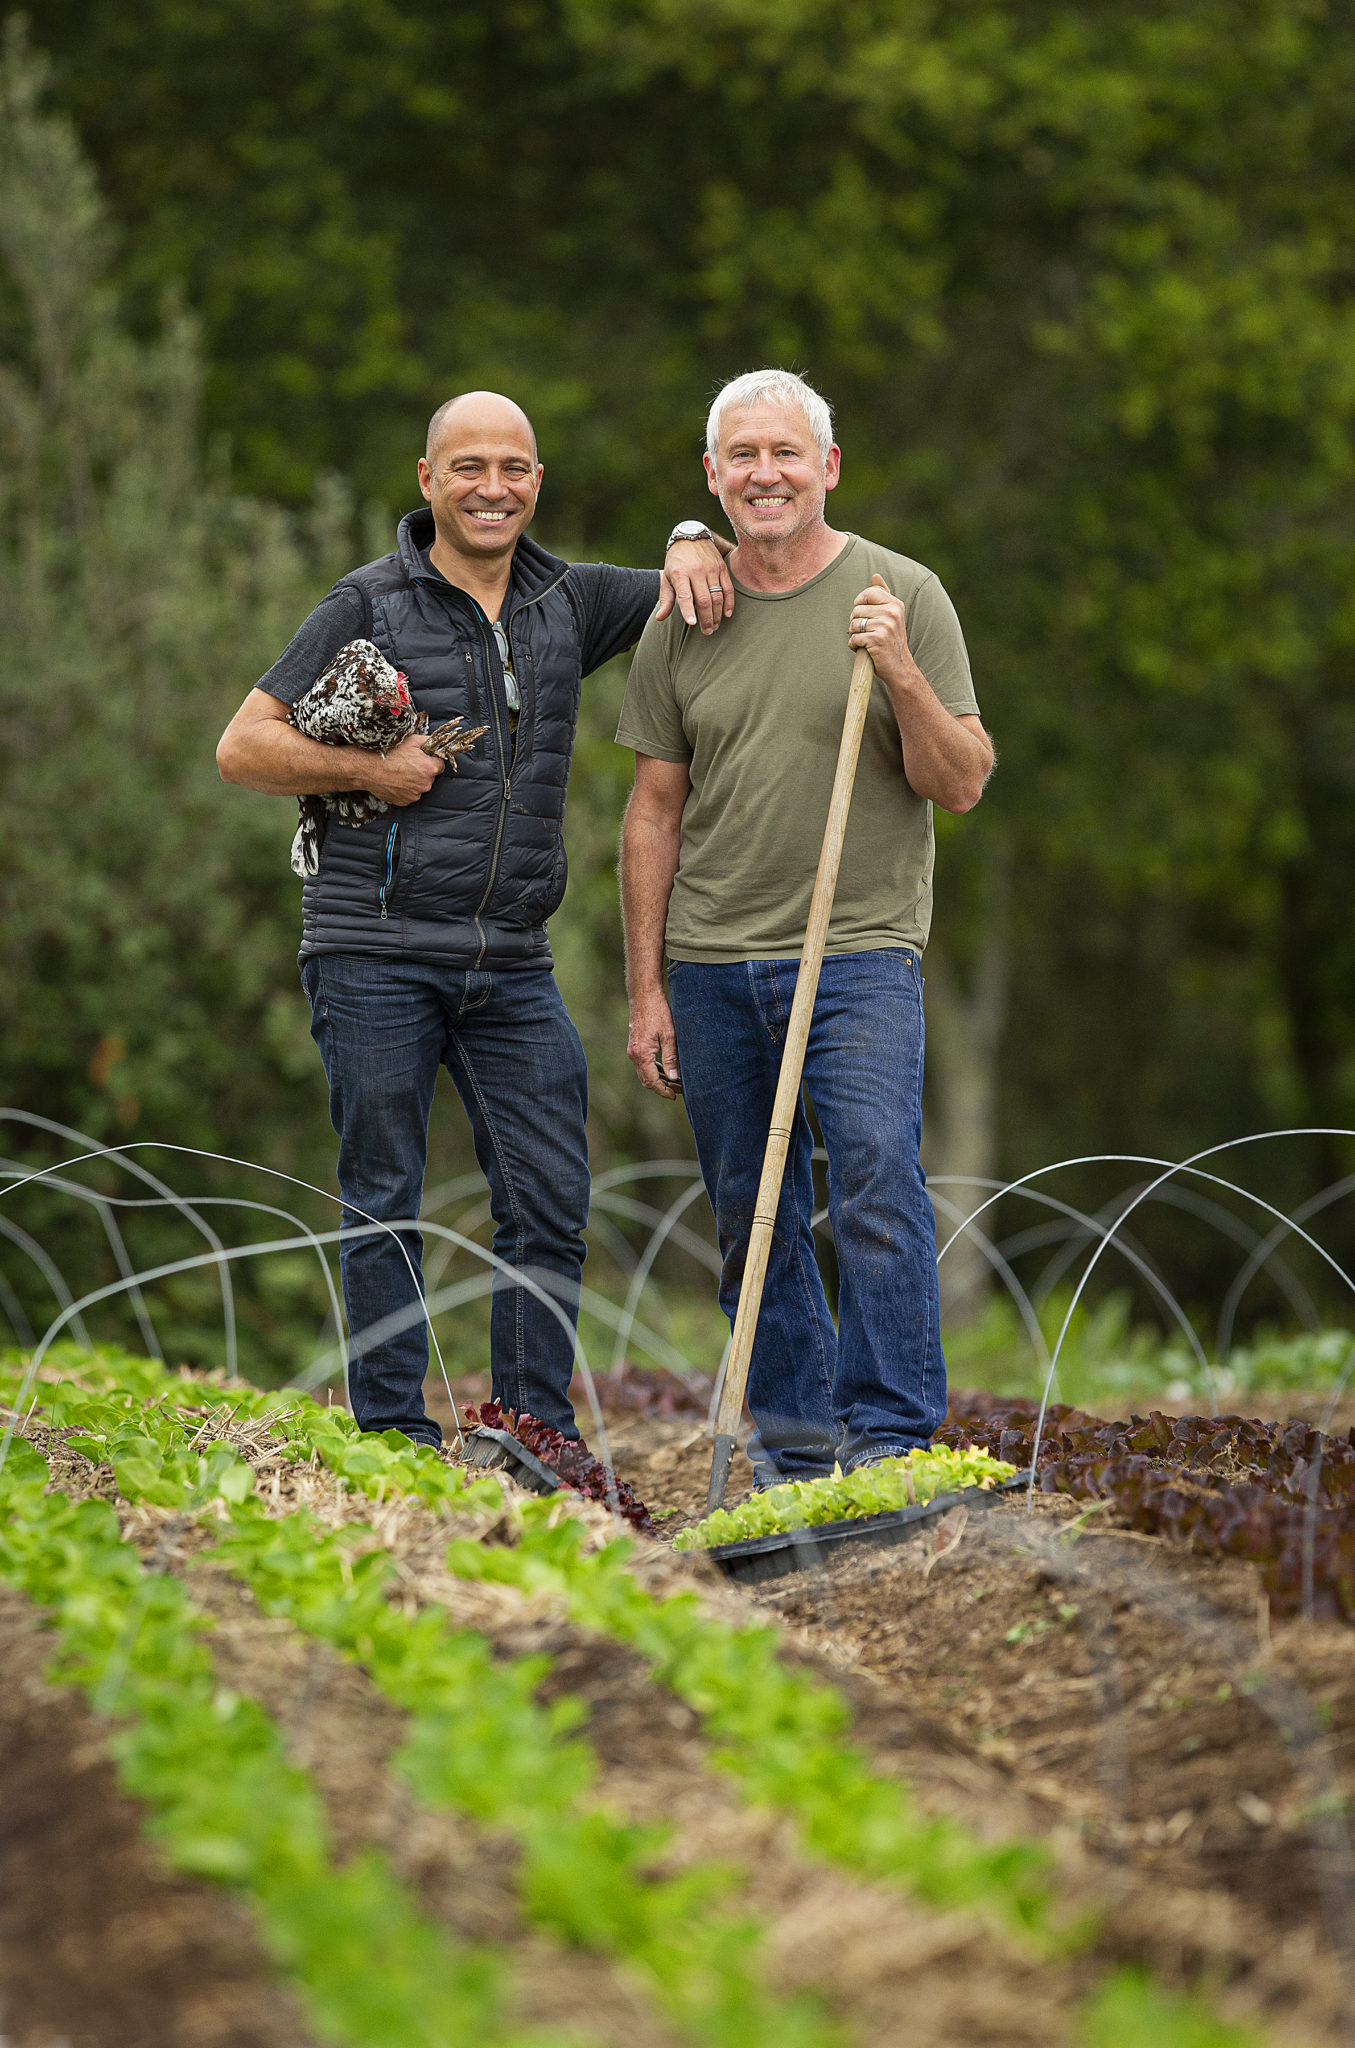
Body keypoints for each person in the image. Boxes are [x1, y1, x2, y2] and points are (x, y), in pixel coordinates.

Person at [217, 389, 733, 1448]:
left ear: (536, 483)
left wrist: (689, 532)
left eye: (511, 468)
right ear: (426, 480)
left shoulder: (570, 601)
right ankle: (393, 1439)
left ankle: (530, 1435)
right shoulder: (364, 602)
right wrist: (367, 765)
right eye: (467, 468)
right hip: (371, 946)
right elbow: (242, 746)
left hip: (512, 961)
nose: (490, 487)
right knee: (383, 1198)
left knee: (550, 1199)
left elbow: (698, 579)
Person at [617, 368, 994, 1484]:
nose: (764, 473)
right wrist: (645, 988)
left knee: (875, 1176)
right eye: (741, 456)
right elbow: (651, 812)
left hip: (859, 949)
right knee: (751, 1209)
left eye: (785, 452)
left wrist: (899, 672)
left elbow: (961, 780)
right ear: (712, 477)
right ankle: (792, 1444)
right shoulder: (682, 616)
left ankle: (888, 1439)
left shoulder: (902, 592)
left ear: (825, 466)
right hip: (714, 960)